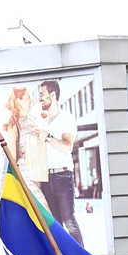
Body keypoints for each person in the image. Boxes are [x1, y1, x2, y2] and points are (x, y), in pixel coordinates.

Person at [37, 79, 83, 245]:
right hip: (46, 178)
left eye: (42, 94)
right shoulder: (43, 121)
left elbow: (67, 147)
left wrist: (48, 137)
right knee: (55, 225)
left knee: (69, 221)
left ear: (53, 95)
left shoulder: (67, 119)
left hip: (63, 176)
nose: (39, 98)